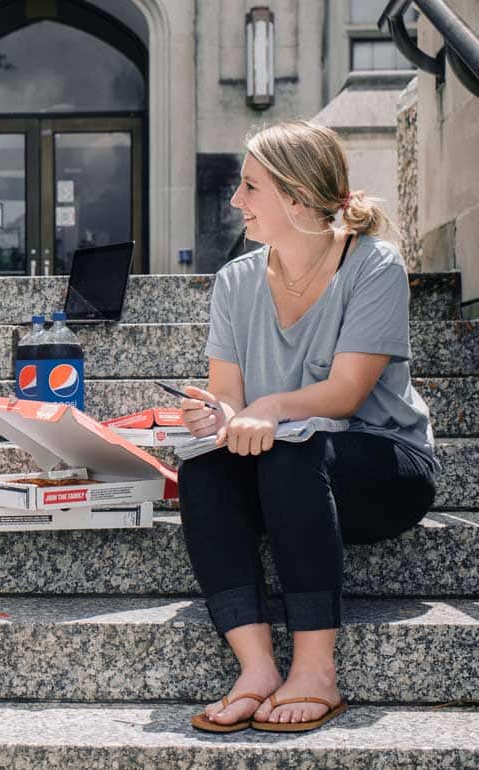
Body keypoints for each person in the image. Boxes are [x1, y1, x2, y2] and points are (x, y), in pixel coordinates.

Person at [178, 120, 438, 734]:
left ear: (296, 198)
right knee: (205, 463)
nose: (236, 200)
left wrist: (266, 411)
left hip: (379, 467)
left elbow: (347, 395)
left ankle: (317, 670)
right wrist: (215, 416)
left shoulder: (373, 266)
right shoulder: (236, 282)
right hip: (280, 471)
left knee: (297, 451)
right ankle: (258, 667)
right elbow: (228, 398)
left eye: (250, 187)